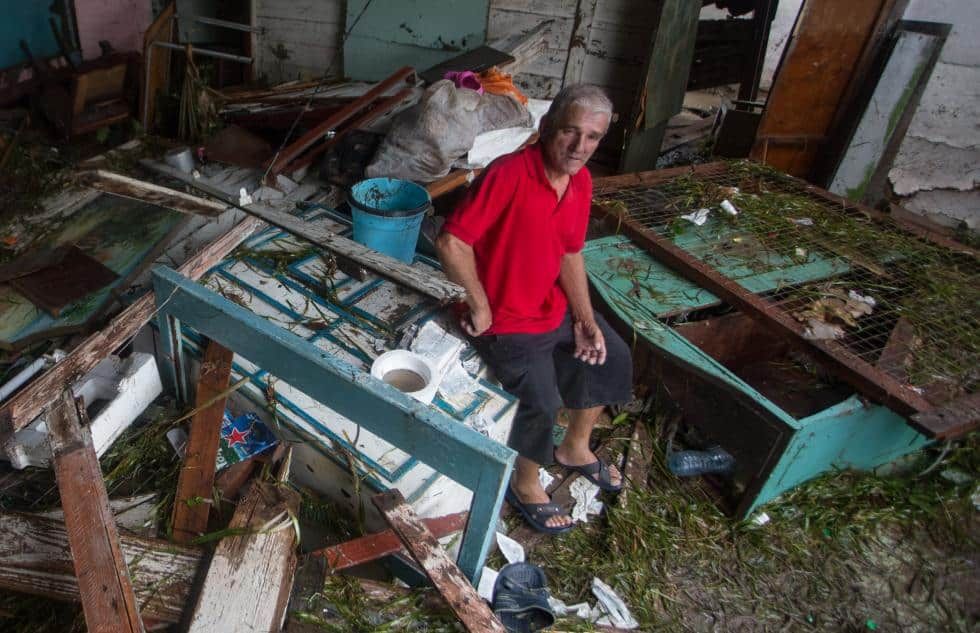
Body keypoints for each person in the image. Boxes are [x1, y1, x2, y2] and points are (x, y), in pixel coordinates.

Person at [435, 84, 633, 533]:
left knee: (611, 355)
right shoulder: (509, 174)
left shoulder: (580, 182)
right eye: (570, 132)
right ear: (546, 129)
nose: (579, 147)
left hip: (552, 308)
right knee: (540, 401)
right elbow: (451, 241)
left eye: (593, 137)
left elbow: (570, 253)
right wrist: (480, 304)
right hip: (507, 320)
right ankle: (525, 483)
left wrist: (584, 320)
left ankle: (575, 448)